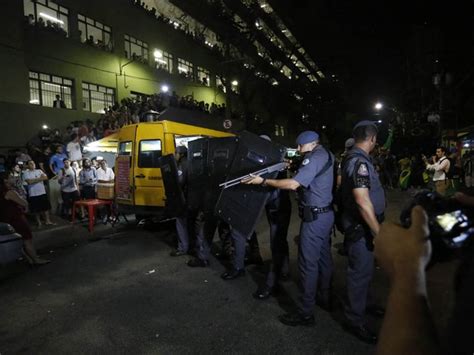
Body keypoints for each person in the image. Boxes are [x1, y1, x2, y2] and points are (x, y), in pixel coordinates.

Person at [244, 130, 334, 326]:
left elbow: (293, 184)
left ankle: (305, 313)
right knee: (324, 258)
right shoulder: (325, 153)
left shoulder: (315, 157)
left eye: (301, 147)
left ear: (311, 144)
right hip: (325, 215)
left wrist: (264, 181)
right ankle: (325, 296)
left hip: (315, 218)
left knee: (308, 265)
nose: (299, 150)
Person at [340, 120, 385, 343]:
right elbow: (362, 200)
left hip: (363, 225)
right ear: (372, 139)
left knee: (365, 271)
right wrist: (379, 233)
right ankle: (354, 319)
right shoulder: (359, 163)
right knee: (359, 273)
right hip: (362, 227)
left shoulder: (357, 159)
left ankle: (364, 305)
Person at [0, 173, 50, 265]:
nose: (14, 178)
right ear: (5, 181)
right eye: (11, 177)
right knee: (27, 239)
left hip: (6, 220)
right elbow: (24, 203)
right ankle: (36, 260)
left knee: (19, 240)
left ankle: (29, 259)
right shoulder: (10, 192)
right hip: (16, 218)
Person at [170, 146, 192, 256]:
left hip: (184, 199)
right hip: (191, 199)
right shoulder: (191, 162)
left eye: (176, 153)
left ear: (181, 154)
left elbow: (180, 181)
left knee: (181, 223)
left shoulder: (182, 165)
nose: (175, 155)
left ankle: (183, 247)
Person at [22, 160, 54, 228]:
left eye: (33, 163)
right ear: (28, 165)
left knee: (46, 208)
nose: (33, 164)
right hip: (33, 193)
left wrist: (34, 180)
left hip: (42, 192)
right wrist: (40, 179)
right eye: (30, 163)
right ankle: (39, 222)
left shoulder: (39, 170)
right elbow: (29, 182)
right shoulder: (26, 173)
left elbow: (45, 177)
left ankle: (48, 221)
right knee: (36, 210)